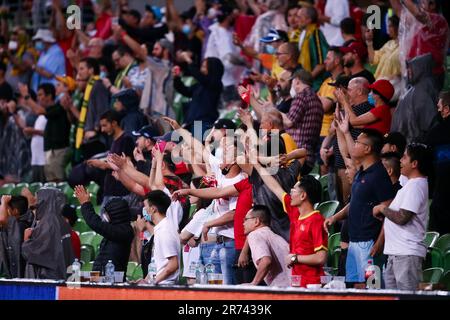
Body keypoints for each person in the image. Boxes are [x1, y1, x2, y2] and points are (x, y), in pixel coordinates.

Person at [324, 129, 395, 287]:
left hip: (369, 244)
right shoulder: (361, 173)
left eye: (357, 142)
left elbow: (389, 211)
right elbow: (355, 203)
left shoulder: (379, 175)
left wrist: (379, 243)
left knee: (372, 287)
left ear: (367, 149)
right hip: (354, 242)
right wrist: (335, 218)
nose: (354, 145)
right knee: (357, 288)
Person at [254, 164, 328, 288]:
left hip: (312, 284)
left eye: (293, 190)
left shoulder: (316, 220)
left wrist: (295, 258)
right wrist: (255, 163)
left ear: (303, 196)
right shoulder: (295, 213)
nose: (290, 192)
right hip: (296, 282)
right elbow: (275, 187)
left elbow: (321, 257)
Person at [373, 143, 432, 290]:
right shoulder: (410, 184)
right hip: (397, 253)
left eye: (404, 157)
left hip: (407, 254)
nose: (400, 160)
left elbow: (402, 217)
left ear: (414, 163)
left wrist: (382, 208)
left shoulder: (416, 186)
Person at [74, 185, 133, 278]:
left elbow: (96, 223)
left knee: (76, 280)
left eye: (107, 213)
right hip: (101, 275)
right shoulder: (114, 229)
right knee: (74, 279)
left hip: (113, 278)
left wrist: (85, 203)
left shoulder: (124, 231)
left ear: (115, 214)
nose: (104, 216)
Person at [19, 83, 71, 182]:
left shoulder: (59, 107)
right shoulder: (51, 109)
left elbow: (39, 110)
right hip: (49, 151)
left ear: (49, 96)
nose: (38, 98)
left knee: (58, 182)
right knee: (51, 183)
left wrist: (26, 96)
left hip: (58, 149)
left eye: (40, 95)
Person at [86, 110, 135, 210]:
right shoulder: (114, 141)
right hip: (110, 191)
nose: (102, 130)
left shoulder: (126, 140)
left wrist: (102, 164)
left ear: (114, 123)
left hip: (120, 193)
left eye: (105, 125)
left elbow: (127, 165)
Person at [22, 188, 75, 280]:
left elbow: (35, 252)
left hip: (50, 276)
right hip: (64, 273)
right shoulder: (60, 221)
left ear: (44, 201)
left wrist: (26, 240)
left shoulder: (48, 222)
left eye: (37, 198)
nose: (36, 202)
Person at [281, 69, 323, 175]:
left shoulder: (301, 97)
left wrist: (274, 111)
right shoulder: (316, 98)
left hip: (296, 155)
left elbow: (289, 121)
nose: (292, 86)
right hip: (309, 157)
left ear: (297, 81)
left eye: (292, 82)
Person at [173, 54, 224, 137]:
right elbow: (186, 91)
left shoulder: (216, 84)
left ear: (212, 69)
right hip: (190, 123)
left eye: (204, 67)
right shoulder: (200, 85)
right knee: (184, 148)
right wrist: (176, 78)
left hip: (202, 123)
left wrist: (189, 60)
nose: (201, 69)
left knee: (198, 148)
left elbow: (199, 76)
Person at [391, 53, 438, 143]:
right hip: (407, 141)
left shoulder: (423, 90)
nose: (408, 71)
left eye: (411, 68)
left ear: (420, 69)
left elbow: (428, 122)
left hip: (415, 142)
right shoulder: (413, 88)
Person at [243, 205, 290, 287]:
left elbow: (266, 261)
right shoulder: (277, 237)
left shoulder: (254, 235)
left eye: (246, 219)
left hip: (281, 290)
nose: (243, 223)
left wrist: (253, 283)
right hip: (295, 288)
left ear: (256, 221)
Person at [425, 91, 450, 235]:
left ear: (446, 109)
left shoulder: (437, 132)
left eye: (439, 107)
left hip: (443, 196)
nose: (438, 110)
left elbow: (427, 162)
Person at [143, 190, 180, 285]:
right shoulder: (160, 228)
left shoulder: (165, 230)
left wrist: (153, 282)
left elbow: (173, 265)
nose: (144, 209)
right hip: (159, 284)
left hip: (165, 286)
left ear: (153, 209)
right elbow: (157, 263)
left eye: (145, 206)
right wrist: (145, 281)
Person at [295, 6, 329, 90]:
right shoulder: (306, 34)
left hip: (318, 84)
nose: (296, 19)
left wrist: (307, 80)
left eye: (299, 17)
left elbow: (321, 63)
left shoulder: (315, 34)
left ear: (308, 20)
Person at [0, 195, 32, 278]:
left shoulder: (17, 225)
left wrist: (4, 202)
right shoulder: (27, 219)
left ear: (15, 211)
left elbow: (2, 219)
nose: (6, 210)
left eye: (8, 208)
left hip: (20, 271)